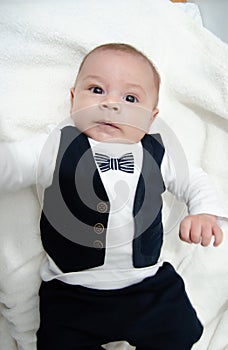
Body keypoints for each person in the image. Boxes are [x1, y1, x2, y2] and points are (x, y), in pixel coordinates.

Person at [0, 43, 226, 350]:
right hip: (72, 294)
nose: (110, 104)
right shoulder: (53, 145)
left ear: (150, 118)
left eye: (130, 98)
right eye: (96, 90)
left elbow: (195, 179)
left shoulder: (158, 152)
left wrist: (203, 212)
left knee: (178, 331)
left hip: (148, 287)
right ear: (72, 100)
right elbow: (12, 163)